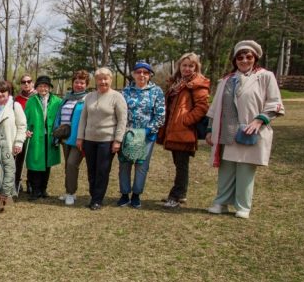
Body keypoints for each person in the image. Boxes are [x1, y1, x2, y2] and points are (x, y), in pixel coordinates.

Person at [206, 40, 284, 219]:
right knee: (226, 168)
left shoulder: (265, 76)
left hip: (249, 130)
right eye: (240, 57)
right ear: (235, 60)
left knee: (245, 169)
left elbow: (275, 103)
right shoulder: (226, 80)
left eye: (248, 57)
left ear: (254, 58)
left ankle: (243, 206)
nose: (244, 60)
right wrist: (210, 129)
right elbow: (215, 107)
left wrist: (259, 121)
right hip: (226, 130)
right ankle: (221, 202)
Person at [158, 53, 210, 208]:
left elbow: (202, 107)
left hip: (183, 129)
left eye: (191, 66)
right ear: (179, 66)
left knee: (181, 163)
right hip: (173, 128)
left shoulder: (197, 83)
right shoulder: (177, 82)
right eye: (184, 65)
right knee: (178, 162)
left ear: (196, 67)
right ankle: (181, 193)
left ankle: (176, 195)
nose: (187, 68)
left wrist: (185, 121)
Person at [76, 68, 128, 210]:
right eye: (100, 79)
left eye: (105, 78)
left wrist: (118, 140)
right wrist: (80, 137)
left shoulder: (117, 97)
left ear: (110, 80)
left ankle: (98, 199)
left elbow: (122, 120)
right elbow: (83, 118)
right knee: (91, 170)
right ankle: (93, 195)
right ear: (96, 81)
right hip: (89, 139)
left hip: (107, 140)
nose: (102, 81)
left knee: (102, 170)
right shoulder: (90, 97)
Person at [117, 62, 165, 209]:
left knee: (141, 166)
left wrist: (148, 131)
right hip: (128, 134)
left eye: (145, 72)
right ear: (133, 74)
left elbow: (160, 115)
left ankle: (136, 194)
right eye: (138, 72)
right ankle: (125, 194)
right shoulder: (125, 91)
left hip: (146, 135)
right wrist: (123, 131)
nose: (142, 75)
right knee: (125, 165)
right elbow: (119, 113)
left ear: (150, 75)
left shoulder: (156, 91)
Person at [53, 70, 89, 206]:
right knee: (67, 166)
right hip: (65, 137)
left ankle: (71, 192)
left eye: (82, 82)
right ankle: (70, 191)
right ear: (72, 83)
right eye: (76, 82)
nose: (79, 85)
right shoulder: (66, 98)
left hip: (78, 138)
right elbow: (60, 116)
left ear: (86, 84)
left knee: (72, 164)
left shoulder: (87, 99)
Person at [24, 75, 62, 200]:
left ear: (50, 88)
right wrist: (26, 130)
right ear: (37, 88)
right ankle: (35, 190)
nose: (43, 88)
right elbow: (25, 118)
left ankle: (43, 189)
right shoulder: (32, 101)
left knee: (47, 163)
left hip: (50, 136)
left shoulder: (57, 101)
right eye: (40, 86)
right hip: (36, 136)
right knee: (35, 163)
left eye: (45, 86)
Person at [0, 80, 26, 160]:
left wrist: (19, 142)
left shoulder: (15, 105)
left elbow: (22, 126)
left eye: (3, 91)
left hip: (10, 146)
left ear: (8, 92)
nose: (0, 94)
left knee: (9, 171)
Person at [13, 74, 35, 193]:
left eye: (28, 81)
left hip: (33, 133)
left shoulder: (37, 97)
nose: (26, 84)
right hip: (21, 133)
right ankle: (16, 183)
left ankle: (31, 183)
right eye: (23, 82)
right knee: (18, 160)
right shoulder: (17, 99)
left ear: (32, 83)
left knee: (32, 160)